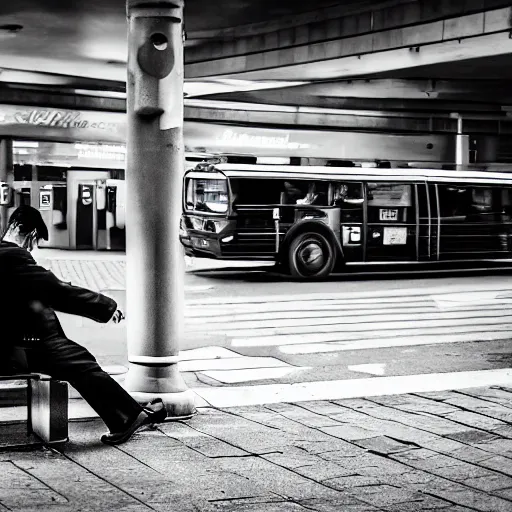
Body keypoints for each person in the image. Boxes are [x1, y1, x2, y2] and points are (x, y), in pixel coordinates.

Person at [0, 206, 166, 445]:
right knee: (78, 360)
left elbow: (41, 292)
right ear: (20, 229)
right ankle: (127, 416)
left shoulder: (7, 257)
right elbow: (56, 290)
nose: (30, 246)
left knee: (76, 357)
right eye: (32, 239)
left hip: (20, 341)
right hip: (15, 349)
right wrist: (106, 308)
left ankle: (129, 412)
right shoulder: (11, 256)